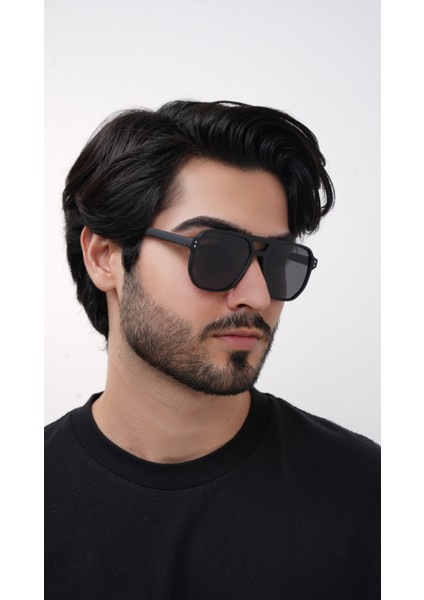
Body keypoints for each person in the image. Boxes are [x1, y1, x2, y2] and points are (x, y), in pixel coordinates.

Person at [45, 100, 380, 599]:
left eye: (278, 260)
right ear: (105, 257)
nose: (258, 296)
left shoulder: (372, 498)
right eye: (216, 253)